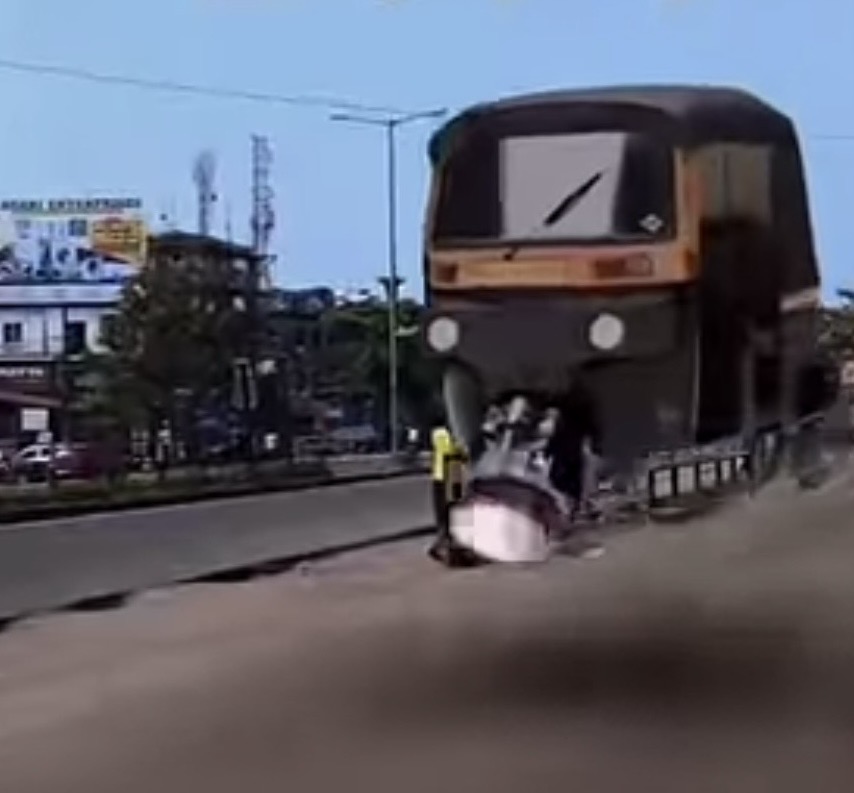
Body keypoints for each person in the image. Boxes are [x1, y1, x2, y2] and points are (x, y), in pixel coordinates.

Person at [547, 372, 603, 522]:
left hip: (572, 447)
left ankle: (580, 507)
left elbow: (591, 426)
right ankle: (580, 507)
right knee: (571, 479)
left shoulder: (572, 404)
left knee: (575, 479)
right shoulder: (566, 404)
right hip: (569, 447)